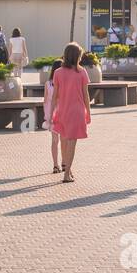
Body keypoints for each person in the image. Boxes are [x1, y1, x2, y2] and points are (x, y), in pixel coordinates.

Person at [49, 42, 91, 184]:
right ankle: (67, 173)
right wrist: (88, 113)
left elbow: (54, 96)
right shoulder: (82, 72)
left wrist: (50, 114)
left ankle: (68, 169)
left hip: (62, 111)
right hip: (77, 112)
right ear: (77, 56)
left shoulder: (58, 72)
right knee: (72, 143)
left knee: (64, 141)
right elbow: (86, 95)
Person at [42, 62, 61, 173]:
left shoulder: (48, 84)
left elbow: (45, 101)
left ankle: (55, 165)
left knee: (54, 141)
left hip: (51, 114)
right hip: (62, 112)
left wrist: (47, 116)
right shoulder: (63, 83)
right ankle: (65, 164)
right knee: (64, 140)